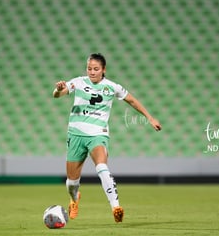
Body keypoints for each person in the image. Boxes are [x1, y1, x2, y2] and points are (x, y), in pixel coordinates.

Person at [53, 53, 162, 223]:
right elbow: (58, 94)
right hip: (75, 135)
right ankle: (74, 199)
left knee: (102, 166)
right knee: (71, 183)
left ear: (104, 70)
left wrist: (150, 118)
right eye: (89, 68)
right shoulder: (79, 82)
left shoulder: (112, 87)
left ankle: (116, 207)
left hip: (98, 134)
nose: (92, 72)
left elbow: (132, 100)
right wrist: (58, 89)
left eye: (96, 69)